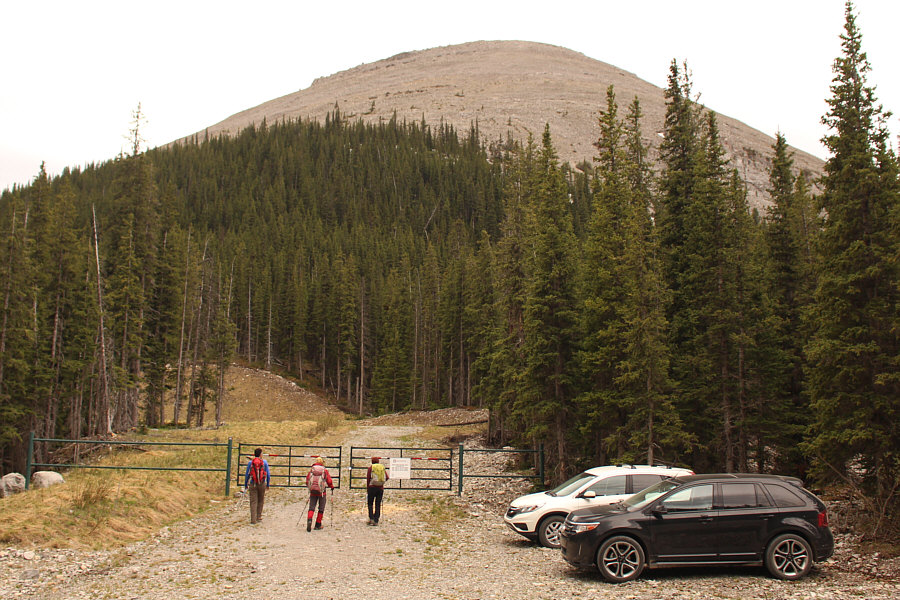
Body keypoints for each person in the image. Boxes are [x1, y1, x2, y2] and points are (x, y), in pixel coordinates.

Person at [305, 456, 334, 531]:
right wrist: (331, 486)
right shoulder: (324, 470)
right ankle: (318, 524)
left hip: (313, 492)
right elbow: (329, 481)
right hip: (322, 492)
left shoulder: (312, 470)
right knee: (321, 508)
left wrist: (310, 487)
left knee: (311, 507)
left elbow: (307, 479)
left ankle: (309, 519)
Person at [244, 447, 270, 524]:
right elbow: (268, 474)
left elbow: (247, 474)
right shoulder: (264, 462)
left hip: (253, 483)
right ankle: (259, 516)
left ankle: (253, 519)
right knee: (261, 500)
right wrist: (268, 484)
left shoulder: (251, 463)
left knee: (253, 501)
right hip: (262, 483)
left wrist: (246, 484)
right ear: (261, 454)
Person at [366, 456, 389, 526]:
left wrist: (368, 488)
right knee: (378, 504)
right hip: (380, 488)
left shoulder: (371, 468)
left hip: (372, 487)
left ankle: (371, 518)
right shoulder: (382, 468)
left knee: (370, 503)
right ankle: (376, 520)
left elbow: (368, 478)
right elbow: (387, 477)